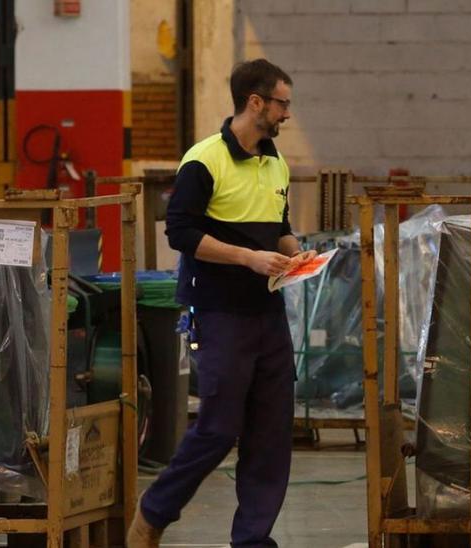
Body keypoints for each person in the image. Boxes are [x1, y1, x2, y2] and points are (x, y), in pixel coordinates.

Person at [128, 58, 306, 548]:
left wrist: (296, 252)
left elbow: (280, 225)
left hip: (269, 317)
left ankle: (252, 541)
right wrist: (247, 258)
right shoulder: (204, 160)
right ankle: (153, 513)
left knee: (270, 437)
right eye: (282, 103)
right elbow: (181, 232)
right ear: (256, 102)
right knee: (218, 428)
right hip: (219, 313)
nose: (287, 114)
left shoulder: (276, 162)